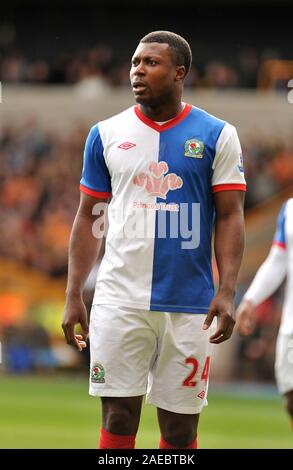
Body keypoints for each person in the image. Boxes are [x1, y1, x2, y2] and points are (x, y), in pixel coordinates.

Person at [62, 30, 246, 449]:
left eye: (151, 63)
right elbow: (89, 217)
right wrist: (74, 292)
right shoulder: (105, 134)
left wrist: (228, 289)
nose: (137, 71)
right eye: (134, 62)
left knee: (180, 431)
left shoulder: (218, 134)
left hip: (189, 303)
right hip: (119, 298)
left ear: (179, 72)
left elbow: (231, 216)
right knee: (118, 415)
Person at [237, 198, 293, 428]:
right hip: (292, 324)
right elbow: (278, 259)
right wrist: (251, 300)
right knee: (291, 401)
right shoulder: (289, 208)